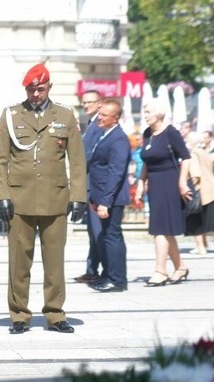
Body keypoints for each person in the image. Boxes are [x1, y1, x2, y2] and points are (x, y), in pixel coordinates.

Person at [0, 63, 87, 334]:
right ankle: (19, 314)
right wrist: (1, 196)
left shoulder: (65, 116)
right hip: (19, 200)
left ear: (49, 88)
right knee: (19, 261)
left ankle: (55, 314)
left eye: (40, 89)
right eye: (31, 90)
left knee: (54, 262)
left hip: (55, 199)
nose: (36, 94)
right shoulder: (11, 115)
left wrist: (78, 196)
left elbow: (77, 161)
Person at [134, 98, 192, 287]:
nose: (145, 115)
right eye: (145, 111)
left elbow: (186, 157)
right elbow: (146, 161)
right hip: (155, 182)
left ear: (159, 113)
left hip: (169, 181)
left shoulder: (170, 132)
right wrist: (141, 182)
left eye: (148, 111)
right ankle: (180, 267)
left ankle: (160, 271)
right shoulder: (147, 134)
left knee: (160, 228)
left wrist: (182, 182)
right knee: (165, 229)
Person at [85, 98, 131, 292]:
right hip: (101, 196)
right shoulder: (105, 134)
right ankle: (108, 274)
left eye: (104, 115)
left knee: (112, 236)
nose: (100, 118)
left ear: (116, 118)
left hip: (111, 198)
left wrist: (105, 201)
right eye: (100, 113)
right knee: (106, 236)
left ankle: (117, 279)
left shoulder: (119, 138)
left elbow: (116, 172)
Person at [74, 90, 105, 284]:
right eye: (84, 103)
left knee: (98, 232)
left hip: (95, 186)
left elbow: (88, 155)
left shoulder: (100, 124)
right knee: (92, 232)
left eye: (90, 102)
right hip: (88, 185)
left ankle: (105, 271)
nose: (86, 106)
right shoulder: (91, 124)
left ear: (100, 103)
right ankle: (92, 269)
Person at [185, 134, 214, 255]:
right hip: (211, 189)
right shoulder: (205, 153)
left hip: (201, 190)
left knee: (195, 220)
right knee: (203, 219)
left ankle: (200, 247)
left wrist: (190, 188)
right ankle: (205, 244)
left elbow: (195, 174)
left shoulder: (192, 154)